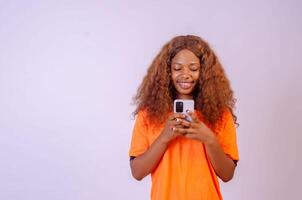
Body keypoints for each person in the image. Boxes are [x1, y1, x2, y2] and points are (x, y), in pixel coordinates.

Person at [128, 35, 239, 200]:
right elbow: (137, 172)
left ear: (204, 72)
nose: (185, 74)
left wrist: (209, 139)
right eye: (177, 68)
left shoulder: (221, 116)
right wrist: (164, 138)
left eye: (193, 68)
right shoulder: (148, 115)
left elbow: (227, 174)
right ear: (167, 71)